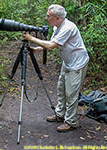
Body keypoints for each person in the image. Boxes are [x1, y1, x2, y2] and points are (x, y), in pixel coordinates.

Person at [23, 4, 89, 132]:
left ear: (57, 17)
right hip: (67, 62)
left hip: (77, 64)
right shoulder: (57, 27)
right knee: (61, 88)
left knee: (71, 93)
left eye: (49, 16)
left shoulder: (68, 28)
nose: (46, 18)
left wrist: (31, 38)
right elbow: (53, 42)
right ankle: (60, 114)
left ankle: (71, 122)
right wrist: (36, 50)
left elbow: (51, 45)